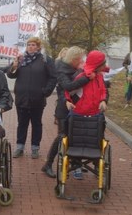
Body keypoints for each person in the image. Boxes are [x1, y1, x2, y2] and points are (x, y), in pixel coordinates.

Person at [41, 46, 88, 178]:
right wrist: (86, 78)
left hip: (77, 107)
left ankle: (75, 163)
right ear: (73, 59)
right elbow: (67, 87)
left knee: (76, 136)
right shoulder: (61, 70)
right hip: (64, 107)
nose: (82, 61)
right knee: (62, 136)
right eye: (80, 59)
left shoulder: (75, 68)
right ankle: (48, 164)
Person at [7, 37, 57, 159]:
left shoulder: (45, 60)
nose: (30, 46)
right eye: (29, 44)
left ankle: (35, 148)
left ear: (38, 47)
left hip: (37, 98)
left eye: (33, 44)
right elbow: (10, 75)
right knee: (22, 123)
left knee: (36, 124)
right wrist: (14, 66)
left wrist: (45, 92)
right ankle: (20, 147)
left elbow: (53, 77)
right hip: (22, 97)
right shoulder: (21, 59)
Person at [65, 50, 109, 179]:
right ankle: (76, 166)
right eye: (102, 63)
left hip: (95, 114)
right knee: (76, 140)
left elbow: (103, 91)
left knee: (97, 139)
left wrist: (103, 100)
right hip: (79, 113)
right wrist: (68, 101)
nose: (104, 65)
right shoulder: (82, 76)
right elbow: (69, 90)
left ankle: (97, 164)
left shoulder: (100, 77)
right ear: (97, 64)